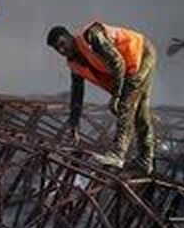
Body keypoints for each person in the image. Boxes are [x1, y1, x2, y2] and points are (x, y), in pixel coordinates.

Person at [46, 21, 157, 173]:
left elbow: (118, 63)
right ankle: (146, 161)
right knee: (139, 113)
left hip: (140, 54)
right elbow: (77, 95)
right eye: (58, 49)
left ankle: (118, 155)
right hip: (130, 67)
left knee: (126, 105)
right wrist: (74, 123)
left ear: (70, 37)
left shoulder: (91, 36)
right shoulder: (74, 63)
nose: (62, 50)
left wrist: (117, 96)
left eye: (63, 44)